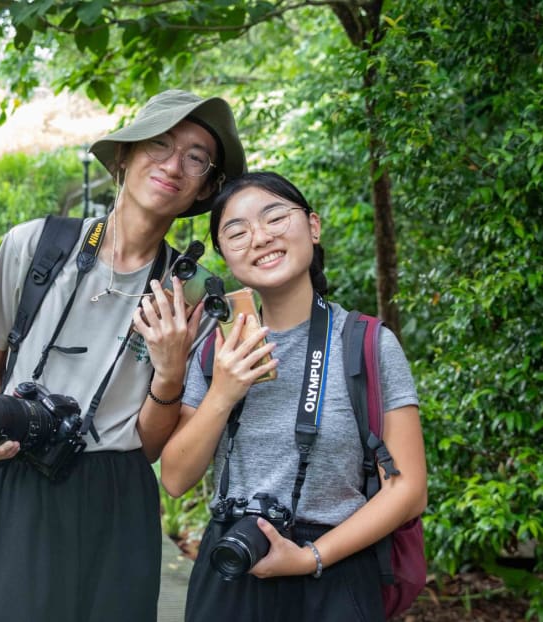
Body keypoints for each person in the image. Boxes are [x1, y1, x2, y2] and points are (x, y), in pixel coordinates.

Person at [0, 89, 247, 622]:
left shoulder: (194, 293)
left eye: (196, 157)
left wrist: (171, 369)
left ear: (203, 189)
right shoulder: (34, 246)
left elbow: (152, 446)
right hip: (17, 480)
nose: (173, 165)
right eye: (158, 144)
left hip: (120, 492)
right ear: (123, 157)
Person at [160, 171, 427, 621]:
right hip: (233, 566)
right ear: (224, 254)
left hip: (336, 571)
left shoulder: (365, 343)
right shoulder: (214, 349)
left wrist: (310, 557)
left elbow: (408, 490)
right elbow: (175, 477)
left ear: (313, 226)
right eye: (237, 231)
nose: (260, 237)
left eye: (275, 217)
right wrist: (223, 393)